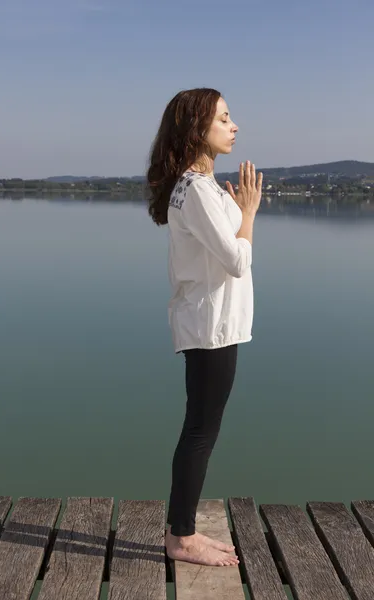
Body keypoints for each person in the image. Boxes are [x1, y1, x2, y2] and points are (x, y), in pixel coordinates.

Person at [146, 88, 263, 567]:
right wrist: (250, 212)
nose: (234, 126)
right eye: (225, 118)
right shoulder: (194, 190)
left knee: (202, 428)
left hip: (219, 324)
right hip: (210, 325)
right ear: (198, 129)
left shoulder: (204, 185)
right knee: (200, 431)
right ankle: (182, 537)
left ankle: (185, 529)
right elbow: (236, 259)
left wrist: (237, 208)